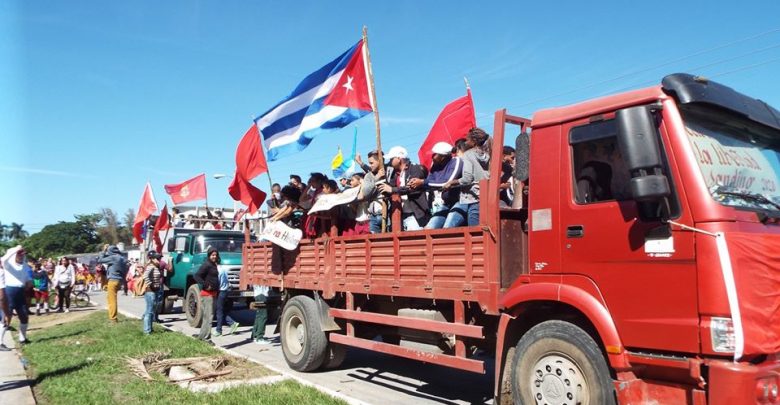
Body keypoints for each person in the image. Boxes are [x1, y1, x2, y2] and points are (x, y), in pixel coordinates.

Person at [409, 142, 464, 229]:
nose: (432, 156)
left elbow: (447, 182)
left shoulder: (456, 161)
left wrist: (422, 182)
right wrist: (417, 183)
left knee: (448, 227)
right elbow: (430, 181)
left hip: (460, 201)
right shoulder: (435, 165)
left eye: (435, 154)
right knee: (429, 229)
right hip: (446, 203)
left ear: (443, 156)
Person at [443, 128, 491, 228]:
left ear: (474, 141)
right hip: (488, 197)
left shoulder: (468, 155)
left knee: (475, 233)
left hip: (475, 198)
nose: (466, 142)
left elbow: (467, 178)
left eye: (467, 139)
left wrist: (452, 182)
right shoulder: (487, 154)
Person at [378, 146, 430, 231]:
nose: (390, 161)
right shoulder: (395, 173)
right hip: (401, 214)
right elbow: (390, 188)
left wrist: (392, 190)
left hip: (416, 214)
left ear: (399, 158)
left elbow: (411, 188)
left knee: (415, 240)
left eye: (391, 159)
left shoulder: (415, 169)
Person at [1, 246, 33, 345]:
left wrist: (29, 282)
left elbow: (28, 277)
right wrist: (16, 248)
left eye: (23, 255)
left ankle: (22, 339)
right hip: (9, 292)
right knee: (6, 318)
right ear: (14, 254)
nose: (21, 256)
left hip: (20, 292)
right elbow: (3, 258)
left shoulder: (25, 266)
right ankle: (0, 342)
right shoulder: (8, 264)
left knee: (24, 316)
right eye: (19, 254)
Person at [269, 185, 303, 274]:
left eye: (284, 195)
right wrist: (275, 217)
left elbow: (287, 212)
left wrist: (276, 218)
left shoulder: (296, 202)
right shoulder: (289, 202)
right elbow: (283, 210)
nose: (283, 196)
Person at [193, 247, 220, 344]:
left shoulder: (213, 265)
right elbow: (197, 276)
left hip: (213, 294)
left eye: (216, 255)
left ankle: (202, 336)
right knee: (209, 317)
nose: (214, 257)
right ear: (209, 255)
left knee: (206, 317)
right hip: (207, 294)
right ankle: (206, 338)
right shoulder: (207, 265)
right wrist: (205, 285)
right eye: (213, 255)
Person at [98, 244, 128, 323]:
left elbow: (100, 260)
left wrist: (104, 251)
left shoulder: (113, 258)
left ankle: (113, 319)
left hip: (113, 280)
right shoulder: (122, 258)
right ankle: (113, 317)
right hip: (120, 280)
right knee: (110, 298)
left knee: (112, 300)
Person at [214, 261, 239, 337]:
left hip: (221, 292)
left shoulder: (217, 271)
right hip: (226, 291)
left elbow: (217, 283)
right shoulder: (223, 269)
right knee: (221, 311)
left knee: (219, 311)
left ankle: (219, 330)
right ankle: (232, 323)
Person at [142, 251, 164, 335]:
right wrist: (151, 285)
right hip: (150, 292)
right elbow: (145, 276)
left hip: (154, 291)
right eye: (157, 258)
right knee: (149, 311)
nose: (159, 260)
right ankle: (147, 331)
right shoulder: (151, 266)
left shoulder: (155, 266)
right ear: (152, 259)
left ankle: (150, 329)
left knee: (152, 311)